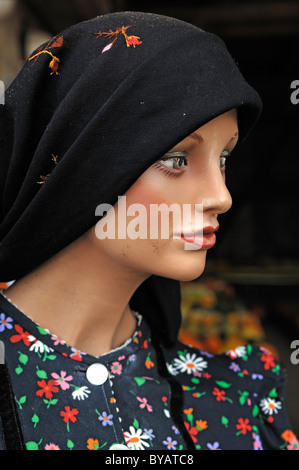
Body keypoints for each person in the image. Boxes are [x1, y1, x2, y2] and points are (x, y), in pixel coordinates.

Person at [0, 11, 297, 451]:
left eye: (224, 159)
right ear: (84, 169)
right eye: (177, 159)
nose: (222, 196)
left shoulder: (233, 402)